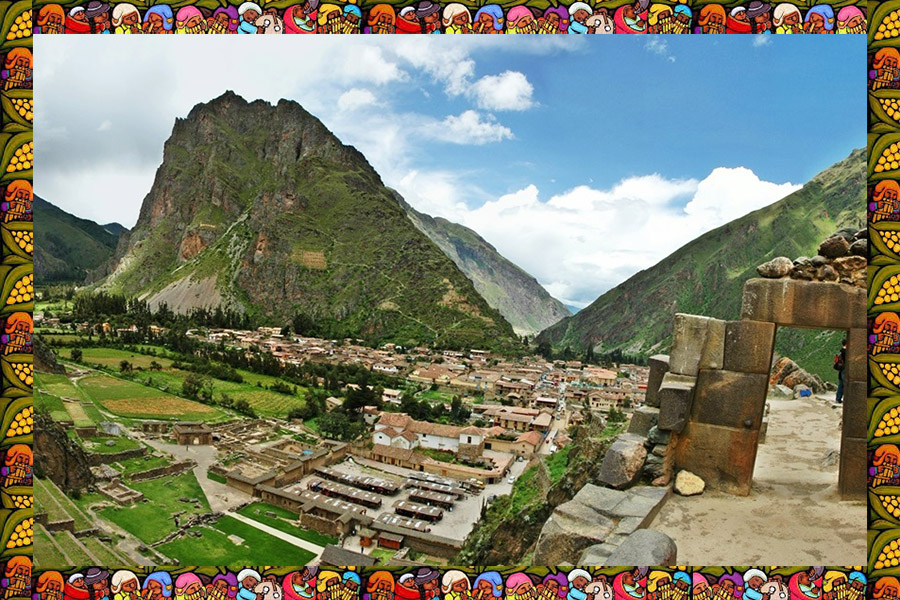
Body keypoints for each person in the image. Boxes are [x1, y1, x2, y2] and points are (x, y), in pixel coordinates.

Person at [834, 338, 847, 404]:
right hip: (845, 370)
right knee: (846, 385)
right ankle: (846, 399)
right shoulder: (846, 352)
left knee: (840, 385)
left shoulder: (840, 351)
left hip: (840, 369)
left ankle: (838, 399)